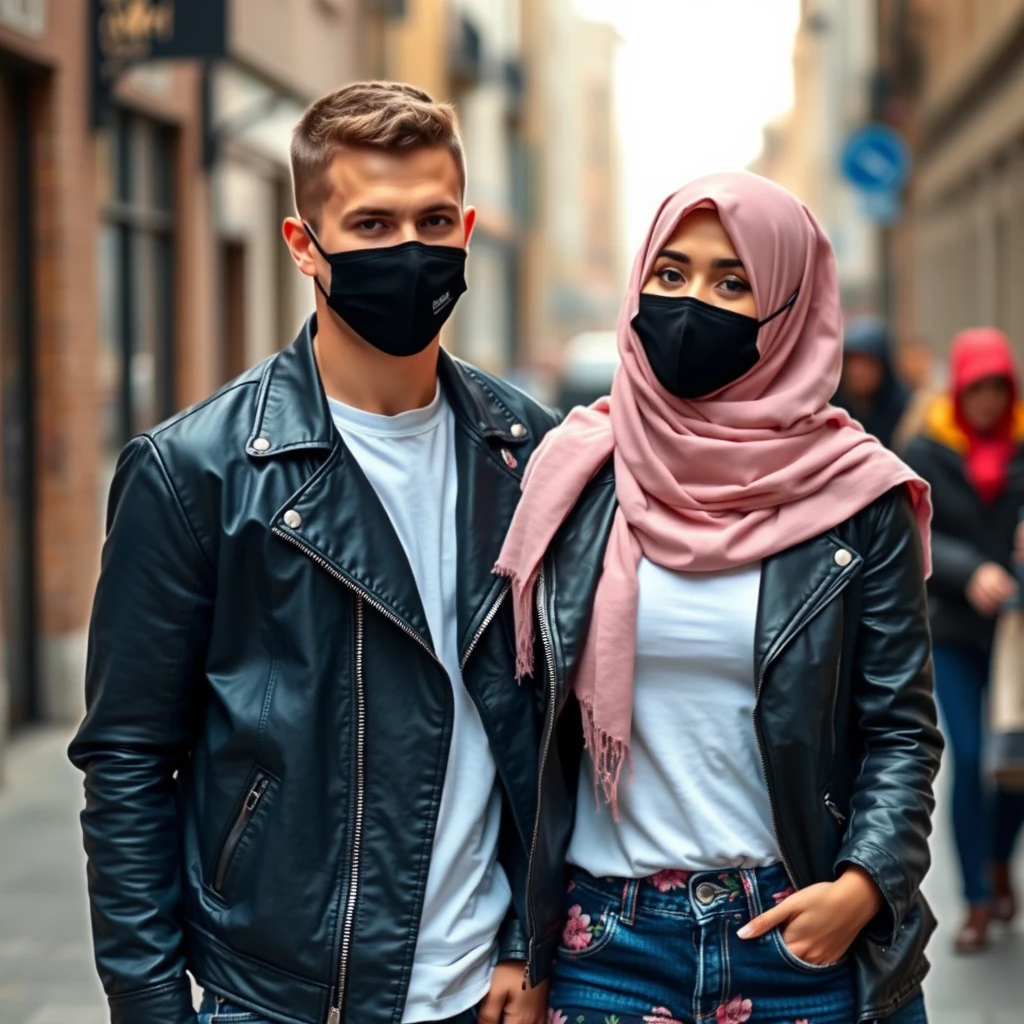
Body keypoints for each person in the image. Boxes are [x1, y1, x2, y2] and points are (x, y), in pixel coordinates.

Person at [69, 81, 560, 1024]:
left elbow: (542, 734)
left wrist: (523, 942)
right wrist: (150, 1006)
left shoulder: (530, 452)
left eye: (433, 219)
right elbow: (127, 760)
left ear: (469, 231)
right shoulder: (194, 473)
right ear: (305, 245)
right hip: (282, 997)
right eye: (371, 223)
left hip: (489, 996)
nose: (409, 250)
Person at [494, 173, 941, 1024]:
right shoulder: (576, 474)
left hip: (800, 938)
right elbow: (515, 727)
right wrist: (519, 940)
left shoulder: (860, 497)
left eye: (732, 282)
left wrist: (860, 887)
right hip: (609, 944)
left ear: (788, 305)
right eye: (671, 274)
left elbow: (900, 729)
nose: (693, 301)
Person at [903, 327, 1024, 953]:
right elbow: (912, 529)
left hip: (1015, 635)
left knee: (1014, 763)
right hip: (951, 627)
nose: (986, 401)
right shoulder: (929, 447)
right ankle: (977, 897)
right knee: (971, 756)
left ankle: (1001, 863)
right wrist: (968, 569)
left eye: (997, 389)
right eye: (976, 388)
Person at [833, 315, 910, 450]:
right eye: (853, 363)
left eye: (868, 364)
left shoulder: (905, 409)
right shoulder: (829, 406)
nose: (858, 372)